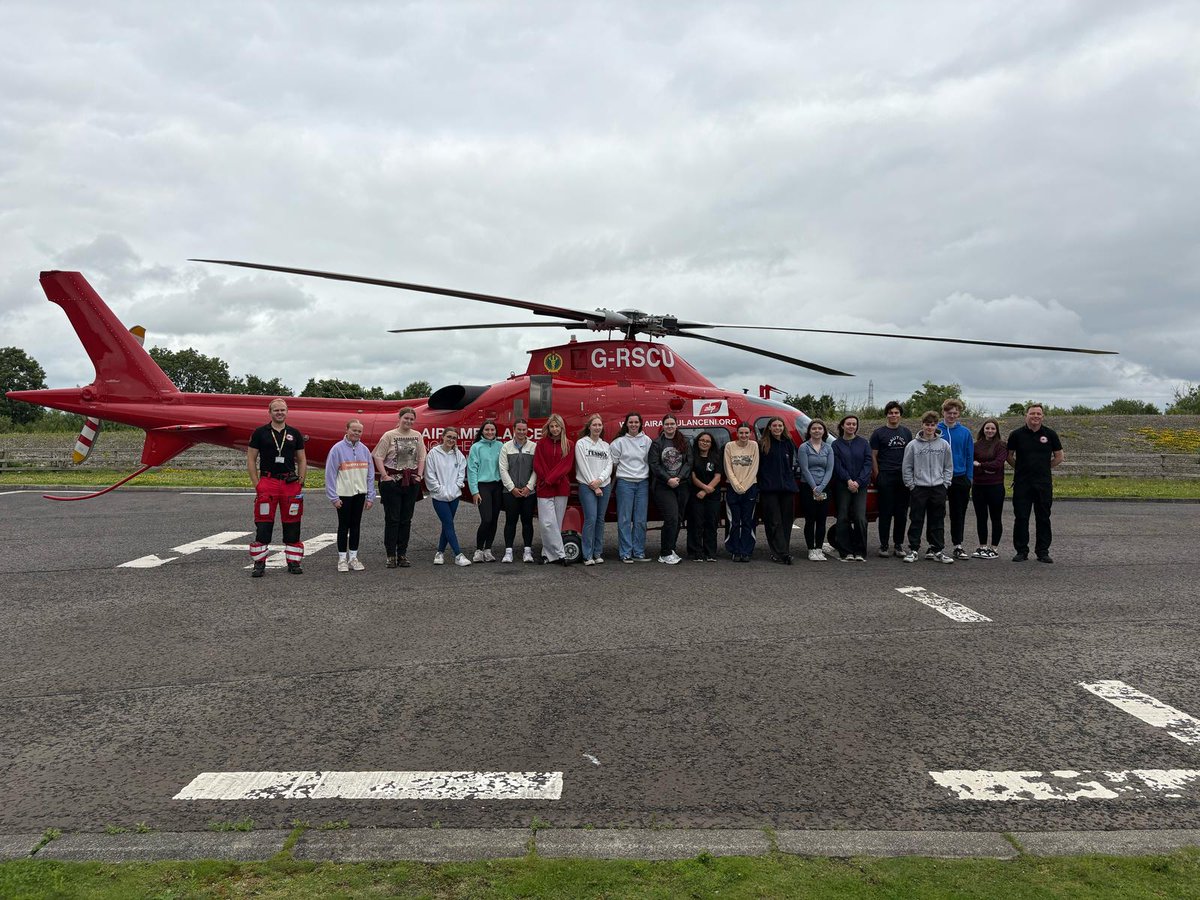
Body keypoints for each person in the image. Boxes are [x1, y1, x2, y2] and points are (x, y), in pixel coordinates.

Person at [246, 398, 307, 577]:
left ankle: (294, 562)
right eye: (276, 410)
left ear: (287, 412)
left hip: (290, 483)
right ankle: (259, 563)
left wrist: (301, 480)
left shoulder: (294, 433)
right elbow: (251, 459)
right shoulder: (260, 433)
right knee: (263, 523)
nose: (279, 413)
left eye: (282, 410)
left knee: (293, 523)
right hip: (268, 482)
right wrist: (256, 483)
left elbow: (302, 459)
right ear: (270, 412)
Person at [1007, 403, 1063, 563]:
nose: (1035, 416)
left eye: (1039, 414)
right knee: (1021, 518)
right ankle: (1021, 551)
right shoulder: (1016, 434)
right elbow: (1009, 455)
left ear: (1042, 416)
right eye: (1032, 413)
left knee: (1043, 518)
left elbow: (1059, 457)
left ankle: (1042, 551)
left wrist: (1045, 467)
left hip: (1043, 483)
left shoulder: (1050, 434)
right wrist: (1020, 468)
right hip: (1022, 483)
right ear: (1026, 415)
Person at [372, 407, 427, 568]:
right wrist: (384, 476)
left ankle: (402, 553)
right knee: (392, 519)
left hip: (410, 482)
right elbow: (378, 455)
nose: (408, 421)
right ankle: (391, 555)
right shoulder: (389, 435)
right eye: (406, 418)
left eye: (411, 419)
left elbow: (422, 457)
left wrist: (419, 475)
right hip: (392, 482)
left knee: (406, 519)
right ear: (400, 418)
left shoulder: (417, 436)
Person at [901, 411, 954, 564]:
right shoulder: (912, 445)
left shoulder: (944, 445)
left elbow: (948, 466)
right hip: (919, 488)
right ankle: (913, 550)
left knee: (937, 520)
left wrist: (945, 484)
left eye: (932, 425)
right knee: (916, 519)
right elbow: (907, 467)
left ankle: (937, 549)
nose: (929, 427)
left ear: (936, 425)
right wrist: (911, 485)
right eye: (927, 424)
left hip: (938, 487)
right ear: (922, 424)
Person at [324, 418, 376, 572]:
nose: (357, 433)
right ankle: (341, 559)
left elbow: (370, 475)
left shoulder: (365, 450)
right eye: (354, 430)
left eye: (359, 431)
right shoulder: (337, 449)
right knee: (343, 526)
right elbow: (330, 474)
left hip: (359, 494)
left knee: (356, 526)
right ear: (346, 430)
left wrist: (370, 496)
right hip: (343, 495)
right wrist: (333, 497)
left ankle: (353, 557)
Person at [870, 401, 913, 558]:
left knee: (901, 513)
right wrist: (877, 475)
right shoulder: (878, 433)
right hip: (886, 476)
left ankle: (899, 545)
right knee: (885, 512)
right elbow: (873, 455)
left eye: (896, 412)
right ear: (886, 414)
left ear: (900, 415)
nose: (893, 415)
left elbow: (911, 455)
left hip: (903, 477)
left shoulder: (906, 433)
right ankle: (883, 545)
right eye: (890, 412)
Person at [424, 427, 471, 566]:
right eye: (449, 437)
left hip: (454, 496)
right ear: (443, 437)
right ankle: (458, 555)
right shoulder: (433, 453)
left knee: (447, 524)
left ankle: (440, 553)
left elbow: (462, 472)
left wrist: (457, 486)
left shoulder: (458, 455)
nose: (451, 440)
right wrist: (439, 490)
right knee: (449, 524)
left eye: (454, 438)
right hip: (439, 497)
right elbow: (430, 474)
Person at [649, 413, 692, 565]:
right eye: (667, 424)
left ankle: (671, 549)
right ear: (663, 426)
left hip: (682, 485)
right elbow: (654, 465)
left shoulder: (684, 441)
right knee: (671, 517)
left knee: (678, 519)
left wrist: (679, 478)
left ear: (676, 425)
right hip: (663, 486)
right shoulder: (657, 443)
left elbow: (688, 462)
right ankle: (665, 553)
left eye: (672, 424)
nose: (669, 426)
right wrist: (668, 479)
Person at [610, 411, 653, 563]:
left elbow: (649, 461)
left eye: (636, 422)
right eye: (631, 422)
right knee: (624, 519)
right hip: (625, 484)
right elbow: (614, 465)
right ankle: (625, 553)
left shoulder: (647, 441)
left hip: (642, 483)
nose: (634, 425)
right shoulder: (618, 442)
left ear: (640, 424)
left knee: (640, 520)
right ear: (626, 424)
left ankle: (639, 552)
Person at [533, 413, 575, 565]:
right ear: (548, 428)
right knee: (546, 523)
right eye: (552, 426)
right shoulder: (541, 443)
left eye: (557, 426)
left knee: (556, 523)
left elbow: (566, 466)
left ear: (562, 427)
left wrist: (551, 479)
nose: (555, 429)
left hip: (560, 487)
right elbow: (538, 463)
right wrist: (547, 479)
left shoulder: (569, 444)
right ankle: (561, 554)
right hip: (544, 487)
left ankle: (547, 554)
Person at [937, 398, 975, 561]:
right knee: (937, 512)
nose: (951, 416)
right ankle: (936, 545)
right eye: (948, 413)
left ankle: (957, 545)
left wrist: (969, 477)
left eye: (955, 413)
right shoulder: (936, 429)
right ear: (943, 413)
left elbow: (969, 455)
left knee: (958, 513)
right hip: (938, 478)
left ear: (959, 414)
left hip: (959, 477)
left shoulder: (965, 432)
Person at [757, 416, 797, 564]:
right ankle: (780, 552)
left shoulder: (788, 443)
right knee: (773, 522)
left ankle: (783, 550)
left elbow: (790, 466)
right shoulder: (762, 444)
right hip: (769, 489)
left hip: (787, 489)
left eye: (780, 425)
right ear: (769, 427)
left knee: (786, 521)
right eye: (774, 425)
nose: (777, 428)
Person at [575, 413, 614, 565]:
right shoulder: (581, 444)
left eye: (599, 425)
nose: (597, 427)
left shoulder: (605, 446)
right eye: (594, 425)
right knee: (590, 519)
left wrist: (600, 481)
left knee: (600, 520)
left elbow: (609, 465)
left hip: (604, 485)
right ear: (589, 427)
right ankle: (587, 554)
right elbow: (582, 465)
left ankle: (597, 553)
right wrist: (593, 483)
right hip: (586, 486)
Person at [832, 414, 872, 562]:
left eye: (854, 424)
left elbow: (868, 464)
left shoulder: (863, 443)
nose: (851, 426)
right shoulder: (836, 444)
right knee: (842, 517)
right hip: (843, 486)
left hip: (860, 486)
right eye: (848, 424)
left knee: (860, 518)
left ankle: (860, 551)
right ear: (842, 426)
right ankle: (846, 551)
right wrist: (848, 480)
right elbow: (837, 465)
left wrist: (858, 482)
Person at [498, 418, 538, 563]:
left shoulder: (533, 446)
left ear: (527, 431)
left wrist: (529, 487)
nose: (521, 432)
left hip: (529, 492)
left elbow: (536, 469)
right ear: (514, 429)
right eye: (519, 429)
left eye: (524, 429)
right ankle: (508, 552)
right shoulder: (506, 447)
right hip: (510, 493)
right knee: (510, 521)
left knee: (527, 522)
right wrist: (512, 488)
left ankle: (527, 551)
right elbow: (503, 469)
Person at [796, 418, 835, 561]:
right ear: (809, 431)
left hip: (824, 487)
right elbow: (805, 469)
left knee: (821, 519)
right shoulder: (804, 447)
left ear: (824, 431)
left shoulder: (828, 448)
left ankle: (819, 548)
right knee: (810, 519)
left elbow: (830, 469)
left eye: (820, 428)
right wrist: (814, 487)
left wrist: (821, 487)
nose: (817, 431)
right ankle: (811, 549)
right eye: (814, 428)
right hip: (808, 487)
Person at [467, 419, 503, 562]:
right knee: (486, 519)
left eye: (492, 430)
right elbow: (472, 470)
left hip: (498, 486)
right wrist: (474, 491)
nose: (490, 432)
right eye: (487, 430)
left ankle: (488, 550)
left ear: (496, 432)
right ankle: (478, 550)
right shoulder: (476, 447)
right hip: (483, 486)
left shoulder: (501, 446)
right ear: (482, 431)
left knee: (494, 519)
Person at [971, 419, 1007, 559]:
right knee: (981, 518)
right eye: (987, 428)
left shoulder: (1001, 445)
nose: (990, 431)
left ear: (997, 430)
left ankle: (994, 548)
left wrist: (980, 465)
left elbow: (998, 464)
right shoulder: (976, 445)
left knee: (995, 517)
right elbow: (971, 463)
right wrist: (985, 468)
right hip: (979, 486)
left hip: (995, 486)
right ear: (983, 429)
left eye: (993, 428)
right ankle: (982, 547)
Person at [723, 422, 759, 562]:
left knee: (747, 521)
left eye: (746, 433)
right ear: (736, 434)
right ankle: (734, 550)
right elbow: (728, 467)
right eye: (741, 433)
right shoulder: (729, 446)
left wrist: (745, 485)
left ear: (750, 433)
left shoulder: (754, 445)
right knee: (734, 521)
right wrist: (737, 485)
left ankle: (746, 551)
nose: (744, 435)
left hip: (750, 488)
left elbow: (754, 467)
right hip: (733, 488)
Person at [686, 431, 723, 561]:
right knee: (696, 524)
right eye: (702, 440)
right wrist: (703, 488)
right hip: (696, 495)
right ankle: (696, 552)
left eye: (707, 441)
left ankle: (710, 553)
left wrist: (706, 490)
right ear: (697, 442)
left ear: (711, 444)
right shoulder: (692, 457)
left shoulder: (716, 457)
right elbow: (693, 476)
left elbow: (718, 477)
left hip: (712, 496)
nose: (704, 443)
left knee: (711, 524)